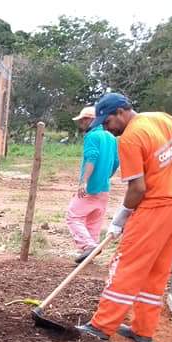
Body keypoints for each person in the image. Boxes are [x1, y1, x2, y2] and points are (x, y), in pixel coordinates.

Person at [77, 93, 172, 342]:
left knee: (126, 265)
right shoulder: (158, 118)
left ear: (121, 113)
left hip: (155, 207)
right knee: (156, 270)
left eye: (109, 122)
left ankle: (101, 326)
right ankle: (143, 330)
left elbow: (138, 189)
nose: (109, 129)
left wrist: (121, 217)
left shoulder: (131, 138)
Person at [67, 106, 119, 264]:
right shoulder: (111, 137)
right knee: (93, 220)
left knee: (73, 216)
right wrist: (105, 176)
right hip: (104, 187)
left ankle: (88, 246)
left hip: (91, 186)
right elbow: (116, 162)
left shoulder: (92, 136)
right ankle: (89, 253)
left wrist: (84, 181)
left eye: (83, 120)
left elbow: (92, 157)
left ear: (90, 120)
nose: (81, 123)